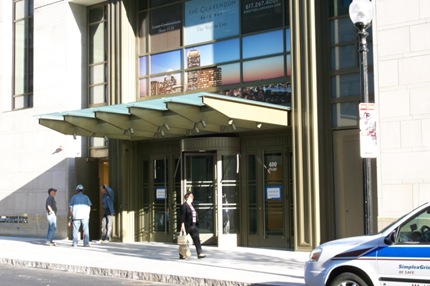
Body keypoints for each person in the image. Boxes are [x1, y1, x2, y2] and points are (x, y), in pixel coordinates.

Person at [180, 192, 206, 259]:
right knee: (183, 240)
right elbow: (182, 216)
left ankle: (200, 253)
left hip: (193, 224)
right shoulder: (184, 205)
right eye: (191, 196)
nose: (192, 198)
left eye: (193, 196)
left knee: (196, 238)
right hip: (187, 225)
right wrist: (182, 226)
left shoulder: (192, 205)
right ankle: (182, 254)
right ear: (187, 197)